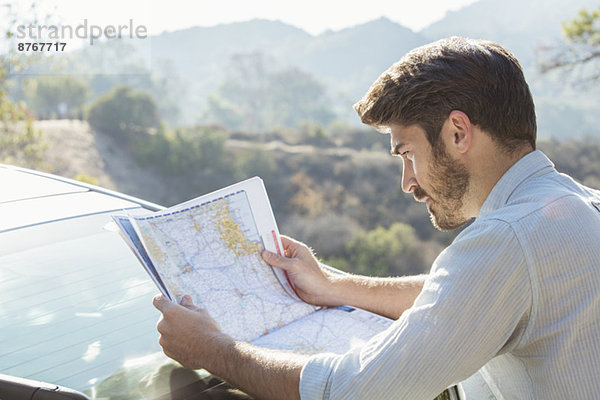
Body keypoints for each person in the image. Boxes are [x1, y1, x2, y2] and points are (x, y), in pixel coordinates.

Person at [152, 36, 600, 399]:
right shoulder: (575, 206)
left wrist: (214, 349)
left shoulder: (509, 241)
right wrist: (336, 286)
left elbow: (350, 391)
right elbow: (463, 292)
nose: (408, 182)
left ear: (458, 133)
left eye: (407, 153)